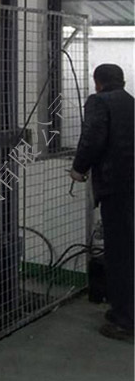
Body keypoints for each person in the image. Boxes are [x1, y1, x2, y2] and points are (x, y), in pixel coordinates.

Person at [71, 63, 134, 341]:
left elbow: (92, 138)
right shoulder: (131, 103)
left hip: (116, 189)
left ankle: (124, 321)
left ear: (98, 82)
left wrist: (79, 168)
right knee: (129, 251)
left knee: (120, 255)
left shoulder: (99, 102)